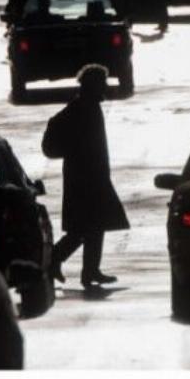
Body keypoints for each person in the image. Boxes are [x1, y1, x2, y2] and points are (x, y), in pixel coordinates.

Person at [42, 64, 130, 288]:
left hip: (91, 176)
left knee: (93, 227)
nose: (105, 87)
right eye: (102, 83)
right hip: (85, 179)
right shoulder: (81, 109)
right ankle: (55, 261)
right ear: (92, 85)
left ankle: (89, 270)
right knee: (83, 228)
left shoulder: (87, 107)